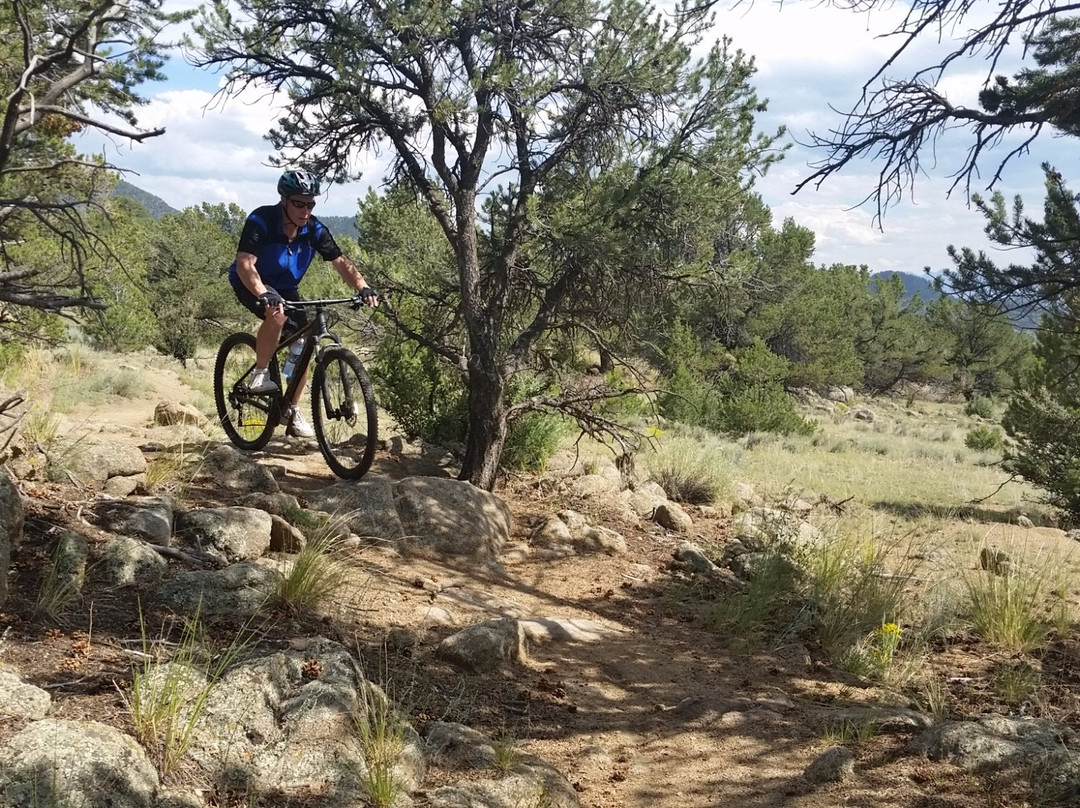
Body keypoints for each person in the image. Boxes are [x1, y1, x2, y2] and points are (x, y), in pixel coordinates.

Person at [228, 169, 378, 438]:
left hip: (286, 287)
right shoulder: (261, 220)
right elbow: (245, 263)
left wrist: (362, 287)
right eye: (299, 203)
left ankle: (292, 410)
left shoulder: (315, 229)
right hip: (251, 280)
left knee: (306, 344)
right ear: (284, 199)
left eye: (310, 204)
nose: (305, 210)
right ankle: (261, 373)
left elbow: (341, 262)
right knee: (276, 314)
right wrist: (263, 292)